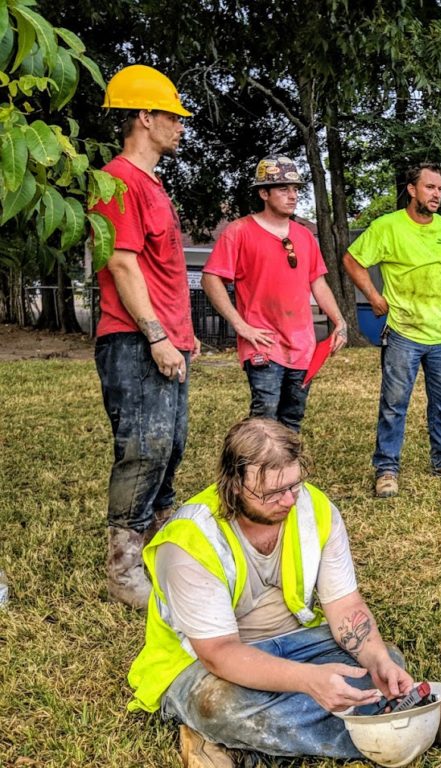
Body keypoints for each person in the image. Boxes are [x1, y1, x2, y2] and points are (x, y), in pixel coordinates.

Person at [127, 418, 414, 765]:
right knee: (218, 705)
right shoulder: (189, 541)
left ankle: (237, 744)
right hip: (204, 662)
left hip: (297, 642)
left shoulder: (316, 509)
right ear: (234, 485)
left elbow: (345, 605)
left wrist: (378, 660)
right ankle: (395, 722)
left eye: (294, 485)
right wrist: (310, 681)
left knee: (385, 664)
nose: (289, 500)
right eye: (272, 493)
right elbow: (219, 653)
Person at [92, 65, 198, 609]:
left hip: (166, 340)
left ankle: (161, 553)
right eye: (173, 117)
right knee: (144, 448)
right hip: (134, 340)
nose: (181, 126)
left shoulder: (153, 185)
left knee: (170, 447)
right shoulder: (117, 180)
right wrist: (157, 335)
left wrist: (179, 336)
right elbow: (121, 263)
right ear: (145, 116)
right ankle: (124, 568)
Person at [342, 162, 441, 498]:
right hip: (403, 332)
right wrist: (373, 296)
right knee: (394, 404)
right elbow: (352, 260)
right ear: (412, 189)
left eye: (440, 189)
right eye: (430, 187)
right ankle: (387, 469)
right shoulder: (388, 227)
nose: (437, 194)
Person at [202, 155, 347, 431]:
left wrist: (339, 321)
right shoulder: (239, 231)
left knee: (292, 418)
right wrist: (240, 325)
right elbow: (211, 279)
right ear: (263, 193)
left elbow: (318, 283)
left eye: (295, 189)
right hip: (263, 342)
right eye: (283, 189)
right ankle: (254, 462)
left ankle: (286, 463)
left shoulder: (305, 236)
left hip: (303, 346)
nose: (292, 196)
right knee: (265, 417)